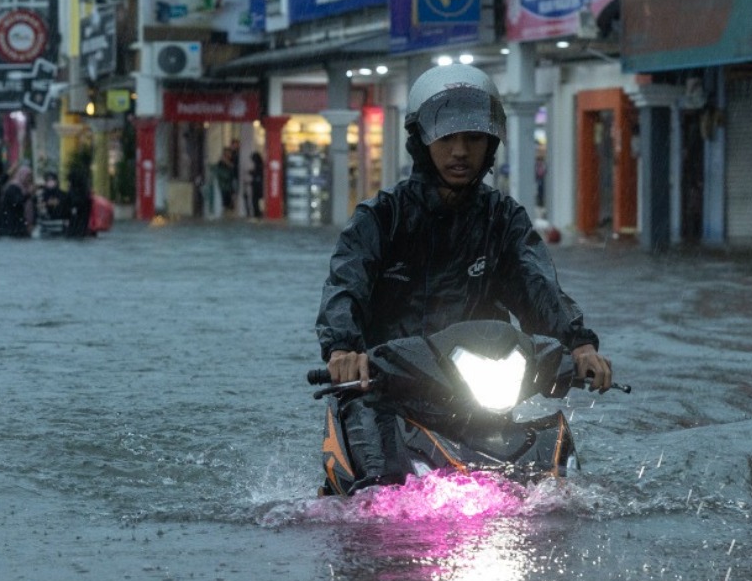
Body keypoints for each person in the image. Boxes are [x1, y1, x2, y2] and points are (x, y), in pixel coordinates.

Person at [315, 64, 611, 490]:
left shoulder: (503, 219)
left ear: (490, 144)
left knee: (553, 487)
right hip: (384, 391)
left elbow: (539, 287)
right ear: (421, 141)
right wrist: (343, 349)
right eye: (447, 138)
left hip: (475, 392)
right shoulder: (380, 217)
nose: (460, 151)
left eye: (473, 138)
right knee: (377, 494)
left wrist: (579, 345)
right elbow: (345, 286)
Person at [0, 163, 35, 238]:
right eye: (27, 176)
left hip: (21, 225)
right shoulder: (13, 187)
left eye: (30, 176)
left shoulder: (26, 188)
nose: (29, 179)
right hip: (11, 225)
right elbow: (17, 203)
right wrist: (28, 194)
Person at [64, 156, 92, 239]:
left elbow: (70, 204)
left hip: (76, 222)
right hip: (83, 224)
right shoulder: (85, 192)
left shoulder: (73, 192)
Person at [212, 142, 239, 216]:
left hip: (230, 183)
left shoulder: (233, 159)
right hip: (224, 184)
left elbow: (233, 167)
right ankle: (226, 212)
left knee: (231, 198)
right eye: (227, 153)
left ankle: (230, 211)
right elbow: (219, 171)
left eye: (229, 153)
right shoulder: (221, 163)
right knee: (225, 199)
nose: (229, 155)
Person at [246, 150, 264, 218]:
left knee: (255, 200)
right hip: (258, 185)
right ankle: (258, 212)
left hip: (257, 186)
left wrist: (251, 173)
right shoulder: (261, 165)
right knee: (257, 200)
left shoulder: (258, 166)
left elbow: (256, 174)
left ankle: (257, 213)